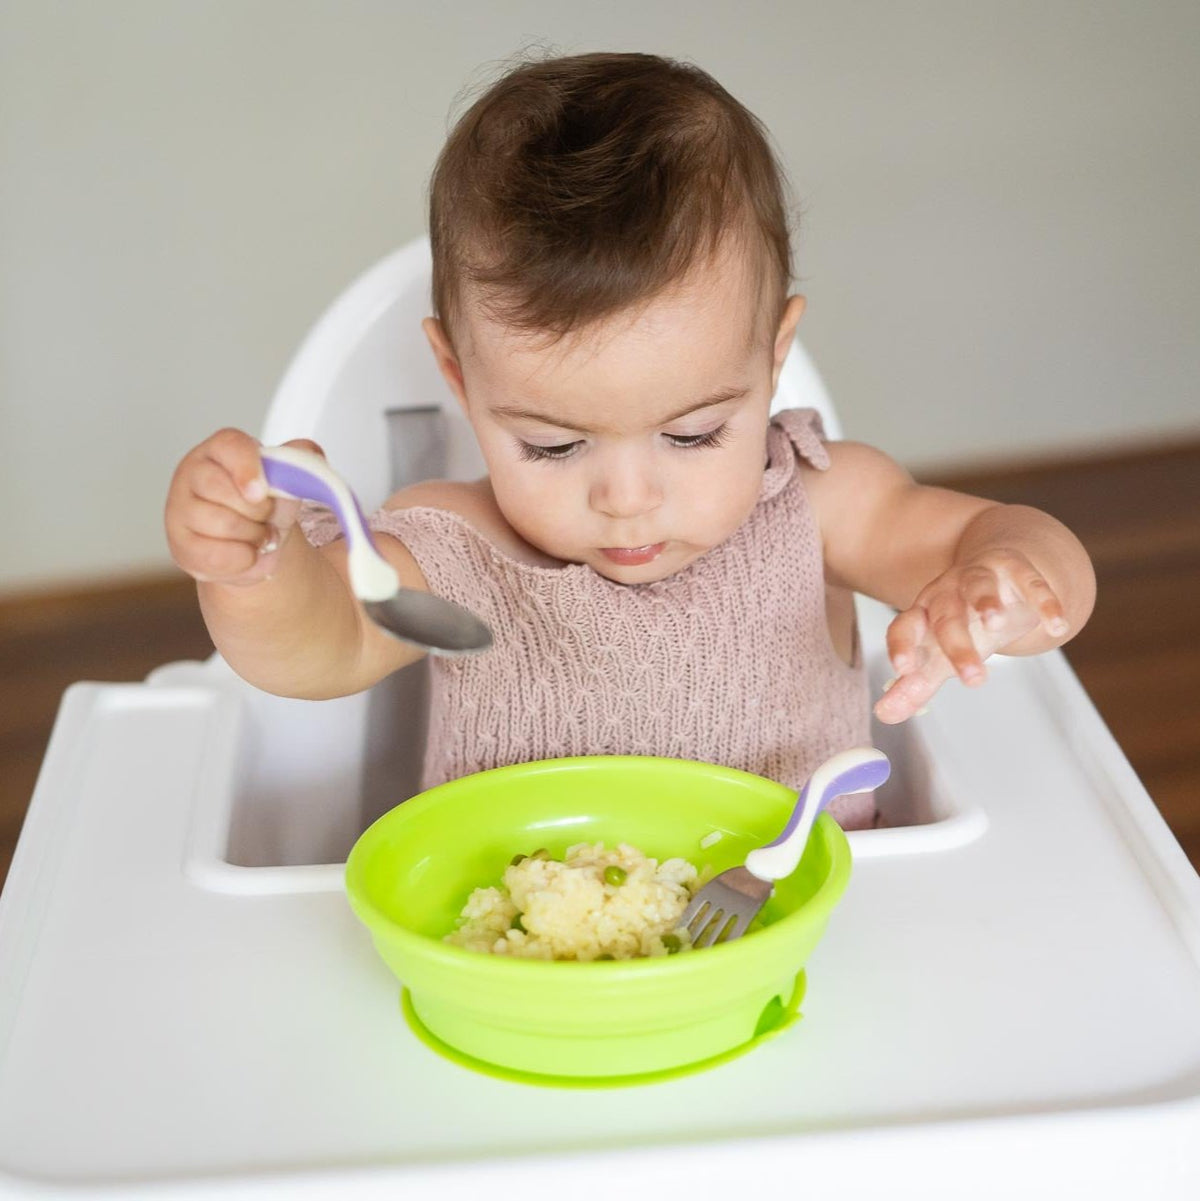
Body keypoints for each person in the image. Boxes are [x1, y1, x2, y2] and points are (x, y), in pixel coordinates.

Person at [164, 52, 1095, 829]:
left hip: (805, 952)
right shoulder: (451, 549)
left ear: (773, 359)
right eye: (554, 447)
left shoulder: (824, 504)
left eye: (692, 434)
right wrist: (255, 567)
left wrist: (1005, 585)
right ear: (459, 380)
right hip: (521, 973)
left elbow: (1011, 540)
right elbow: (315, 650)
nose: (626, 496)